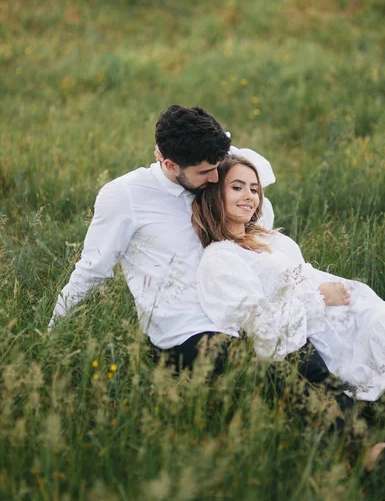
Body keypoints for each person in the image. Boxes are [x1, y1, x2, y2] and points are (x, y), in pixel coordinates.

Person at [48, 105, 276, 369]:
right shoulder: (126, 195)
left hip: (238, 310)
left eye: (217, 167)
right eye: (205, 172)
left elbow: (259, 218)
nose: (216, 178)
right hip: (184, 330)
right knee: (246, 370)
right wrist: (53, 334)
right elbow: (92, 270)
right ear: (169, 164)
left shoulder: (212, 163)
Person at [193, 154, 385, 403]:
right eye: (237, 187)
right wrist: (321, 298)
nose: (249, 195)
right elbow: (262, 325)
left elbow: (300, 276)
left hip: (355, 311)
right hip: (324, 332)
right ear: (214, 195)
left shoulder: (266, 239)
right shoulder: (220, 258)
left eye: (254, 189)